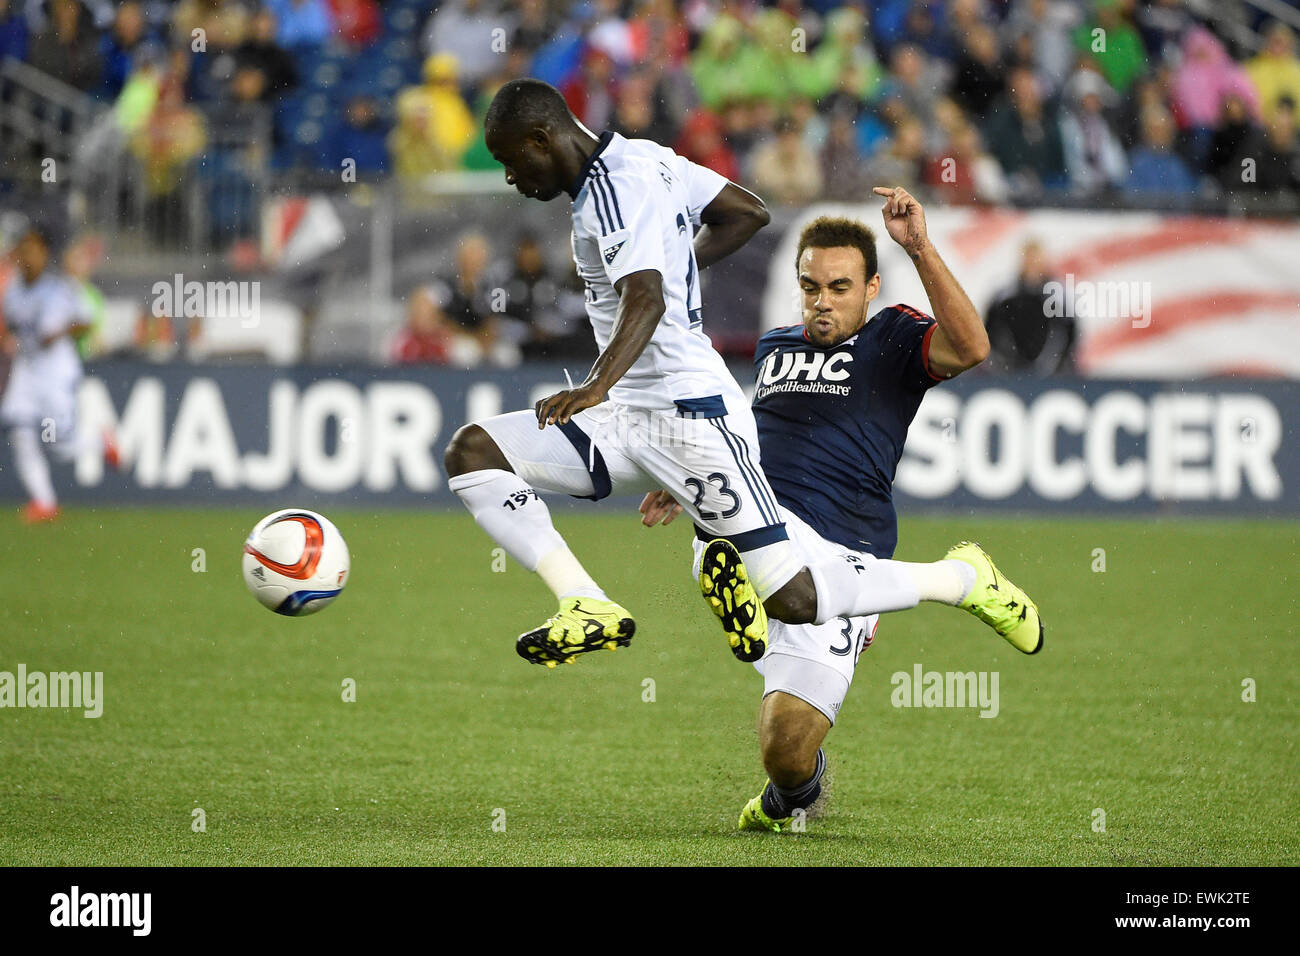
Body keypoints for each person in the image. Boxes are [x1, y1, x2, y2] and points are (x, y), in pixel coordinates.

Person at [443, 79, 1040, 677]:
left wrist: (595, 383)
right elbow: (746, 211)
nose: (510, 178)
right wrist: (677, 276)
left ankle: (960, 579)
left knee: (796, 599)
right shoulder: (646, 156)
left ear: (541, 138)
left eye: (509, 160)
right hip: (629, 417)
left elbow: (646, 299)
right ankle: (585, 601)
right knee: (475, 452)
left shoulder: (614, 188)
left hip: (690, 417)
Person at [637, 208, 1045, 834]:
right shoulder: (775, 347)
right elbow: (748, 433)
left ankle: (789, 799)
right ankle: (745, 584)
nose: (820, 302)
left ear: (871, 289)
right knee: (717, 509)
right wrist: (685, 476)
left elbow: (972, 347)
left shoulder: (892, 339)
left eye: (839, 287)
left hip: (843, 557)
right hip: (767, 526)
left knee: (783, 752)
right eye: (809, 286)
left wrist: (921, 248)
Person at [0, 225, 117, 522]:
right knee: (19, 428)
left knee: (60, 445)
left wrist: (63, 329)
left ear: (44, 254)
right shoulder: (12, 290)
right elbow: (13, 326)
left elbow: (87, 322)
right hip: (27, 368)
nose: (28, 256)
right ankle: (44, 502)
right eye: (23, 249)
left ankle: (100, 443)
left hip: (55, 371)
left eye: (34, 249)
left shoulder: (60, 289)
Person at [984, 239, 1075, 375]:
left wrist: (1052, 367)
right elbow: (991, 333)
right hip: (1009, 374)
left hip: (1052, 376)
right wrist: (1006, 364)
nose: (1032, 265)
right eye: (1029, 260)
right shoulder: (1005, 296)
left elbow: (1069, 336)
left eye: (1036, 260)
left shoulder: (1059, 296)